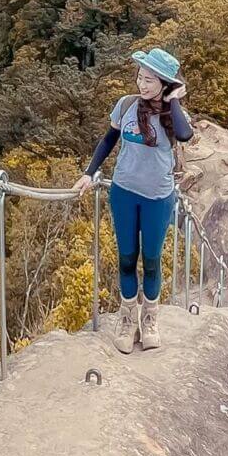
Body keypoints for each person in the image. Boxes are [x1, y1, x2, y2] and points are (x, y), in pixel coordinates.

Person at [73, 47, 194, 353]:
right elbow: (109, 139)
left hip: (157, 198)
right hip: (124, 193)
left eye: (151, 80)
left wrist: (173, 100)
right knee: (127, 259)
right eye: (141, 77)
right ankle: (128, 320)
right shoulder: (126, 105)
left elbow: (184, 135)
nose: (143, 84)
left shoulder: (173, 115)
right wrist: (90, 173)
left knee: (151, 262)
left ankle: (150, 319)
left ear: (165, 84)